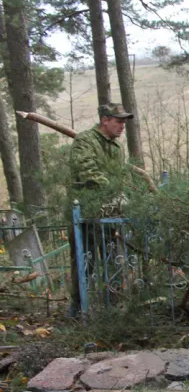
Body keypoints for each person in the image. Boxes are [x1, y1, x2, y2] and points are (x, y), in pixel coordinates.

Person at [67, 103, 133, 316]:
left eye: (124, 121)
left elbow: (122, 175)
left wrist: (128, 194)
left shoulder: (117, 147)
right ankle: (78, 307)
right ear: (105, 120)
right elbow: (87, 170)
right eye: (118, 120)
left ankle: (113, 306)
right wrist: (113, 189)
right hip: (85, 211)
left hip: (110, 212)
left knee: (113, 257)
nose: (122, 126)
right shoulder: (85, 140)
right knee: (84, 260)